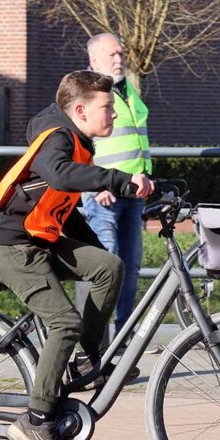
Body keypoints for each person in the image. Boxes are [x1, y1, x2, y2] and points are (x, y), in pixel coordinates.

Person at [0, 70, 153, 440]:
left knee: (108, 266)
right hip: (10, 244)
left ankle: (88, 362)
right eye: (107, 108)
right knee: (64, 322)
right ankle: (36, 421)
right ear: (79, 110)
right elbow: (58, 174)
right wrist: (123, 181)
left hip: (39, 237)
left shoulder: (78, 140)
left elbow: (61, 208)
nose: (113, 115)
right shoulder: (58, 137)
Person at [82, 33, 152, 333]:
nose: (119, 59)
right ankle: (93, 339)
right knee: (104, 267)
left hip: (134, 191)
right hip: (105, 195)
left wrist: (147, 178)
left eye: (121, 54)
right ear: (93, 60)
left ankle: (124, 336)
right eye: (111, 54)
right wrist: (92, 185)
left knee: (130, 267)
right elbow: (76, 140)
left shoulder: (126, 90)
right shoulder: (88, 92)